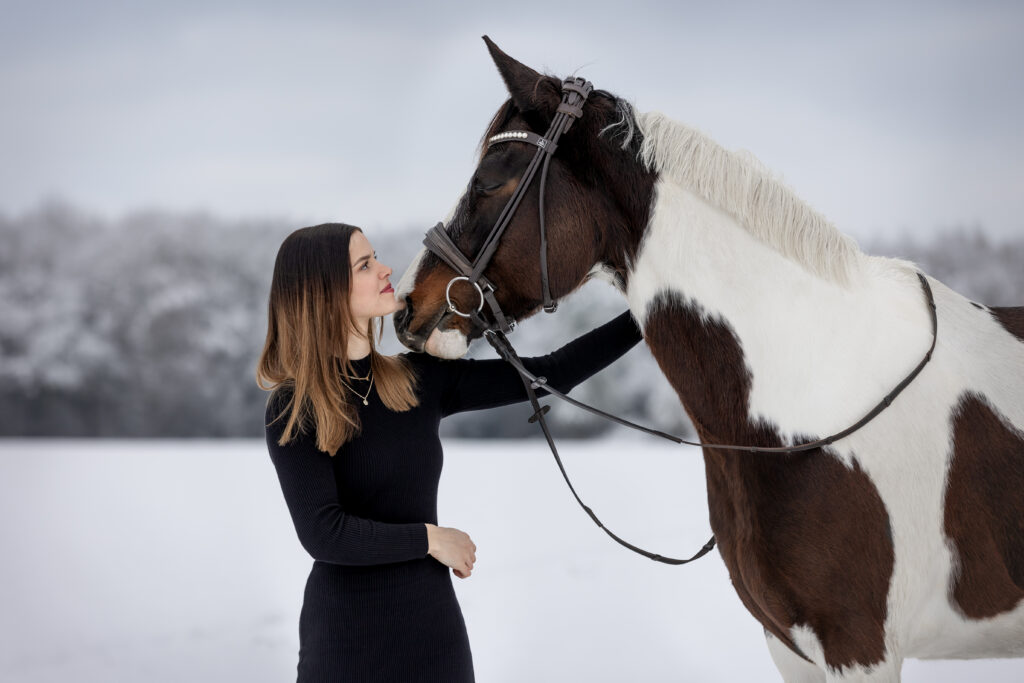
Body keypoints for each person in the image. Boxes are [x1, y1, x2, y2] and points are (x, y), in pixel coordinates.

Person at [257, 223, 644, 682]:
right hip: (345, 643)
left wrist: (653, 311)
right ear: (324, 291)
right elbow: (324, 534)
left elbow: (551, 373)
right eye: (365, 265)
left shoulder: (418, 379)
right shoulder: (294, 406)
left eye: (375, 256)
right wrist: (431, 539)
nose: (385, 269)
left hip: (434, 636)